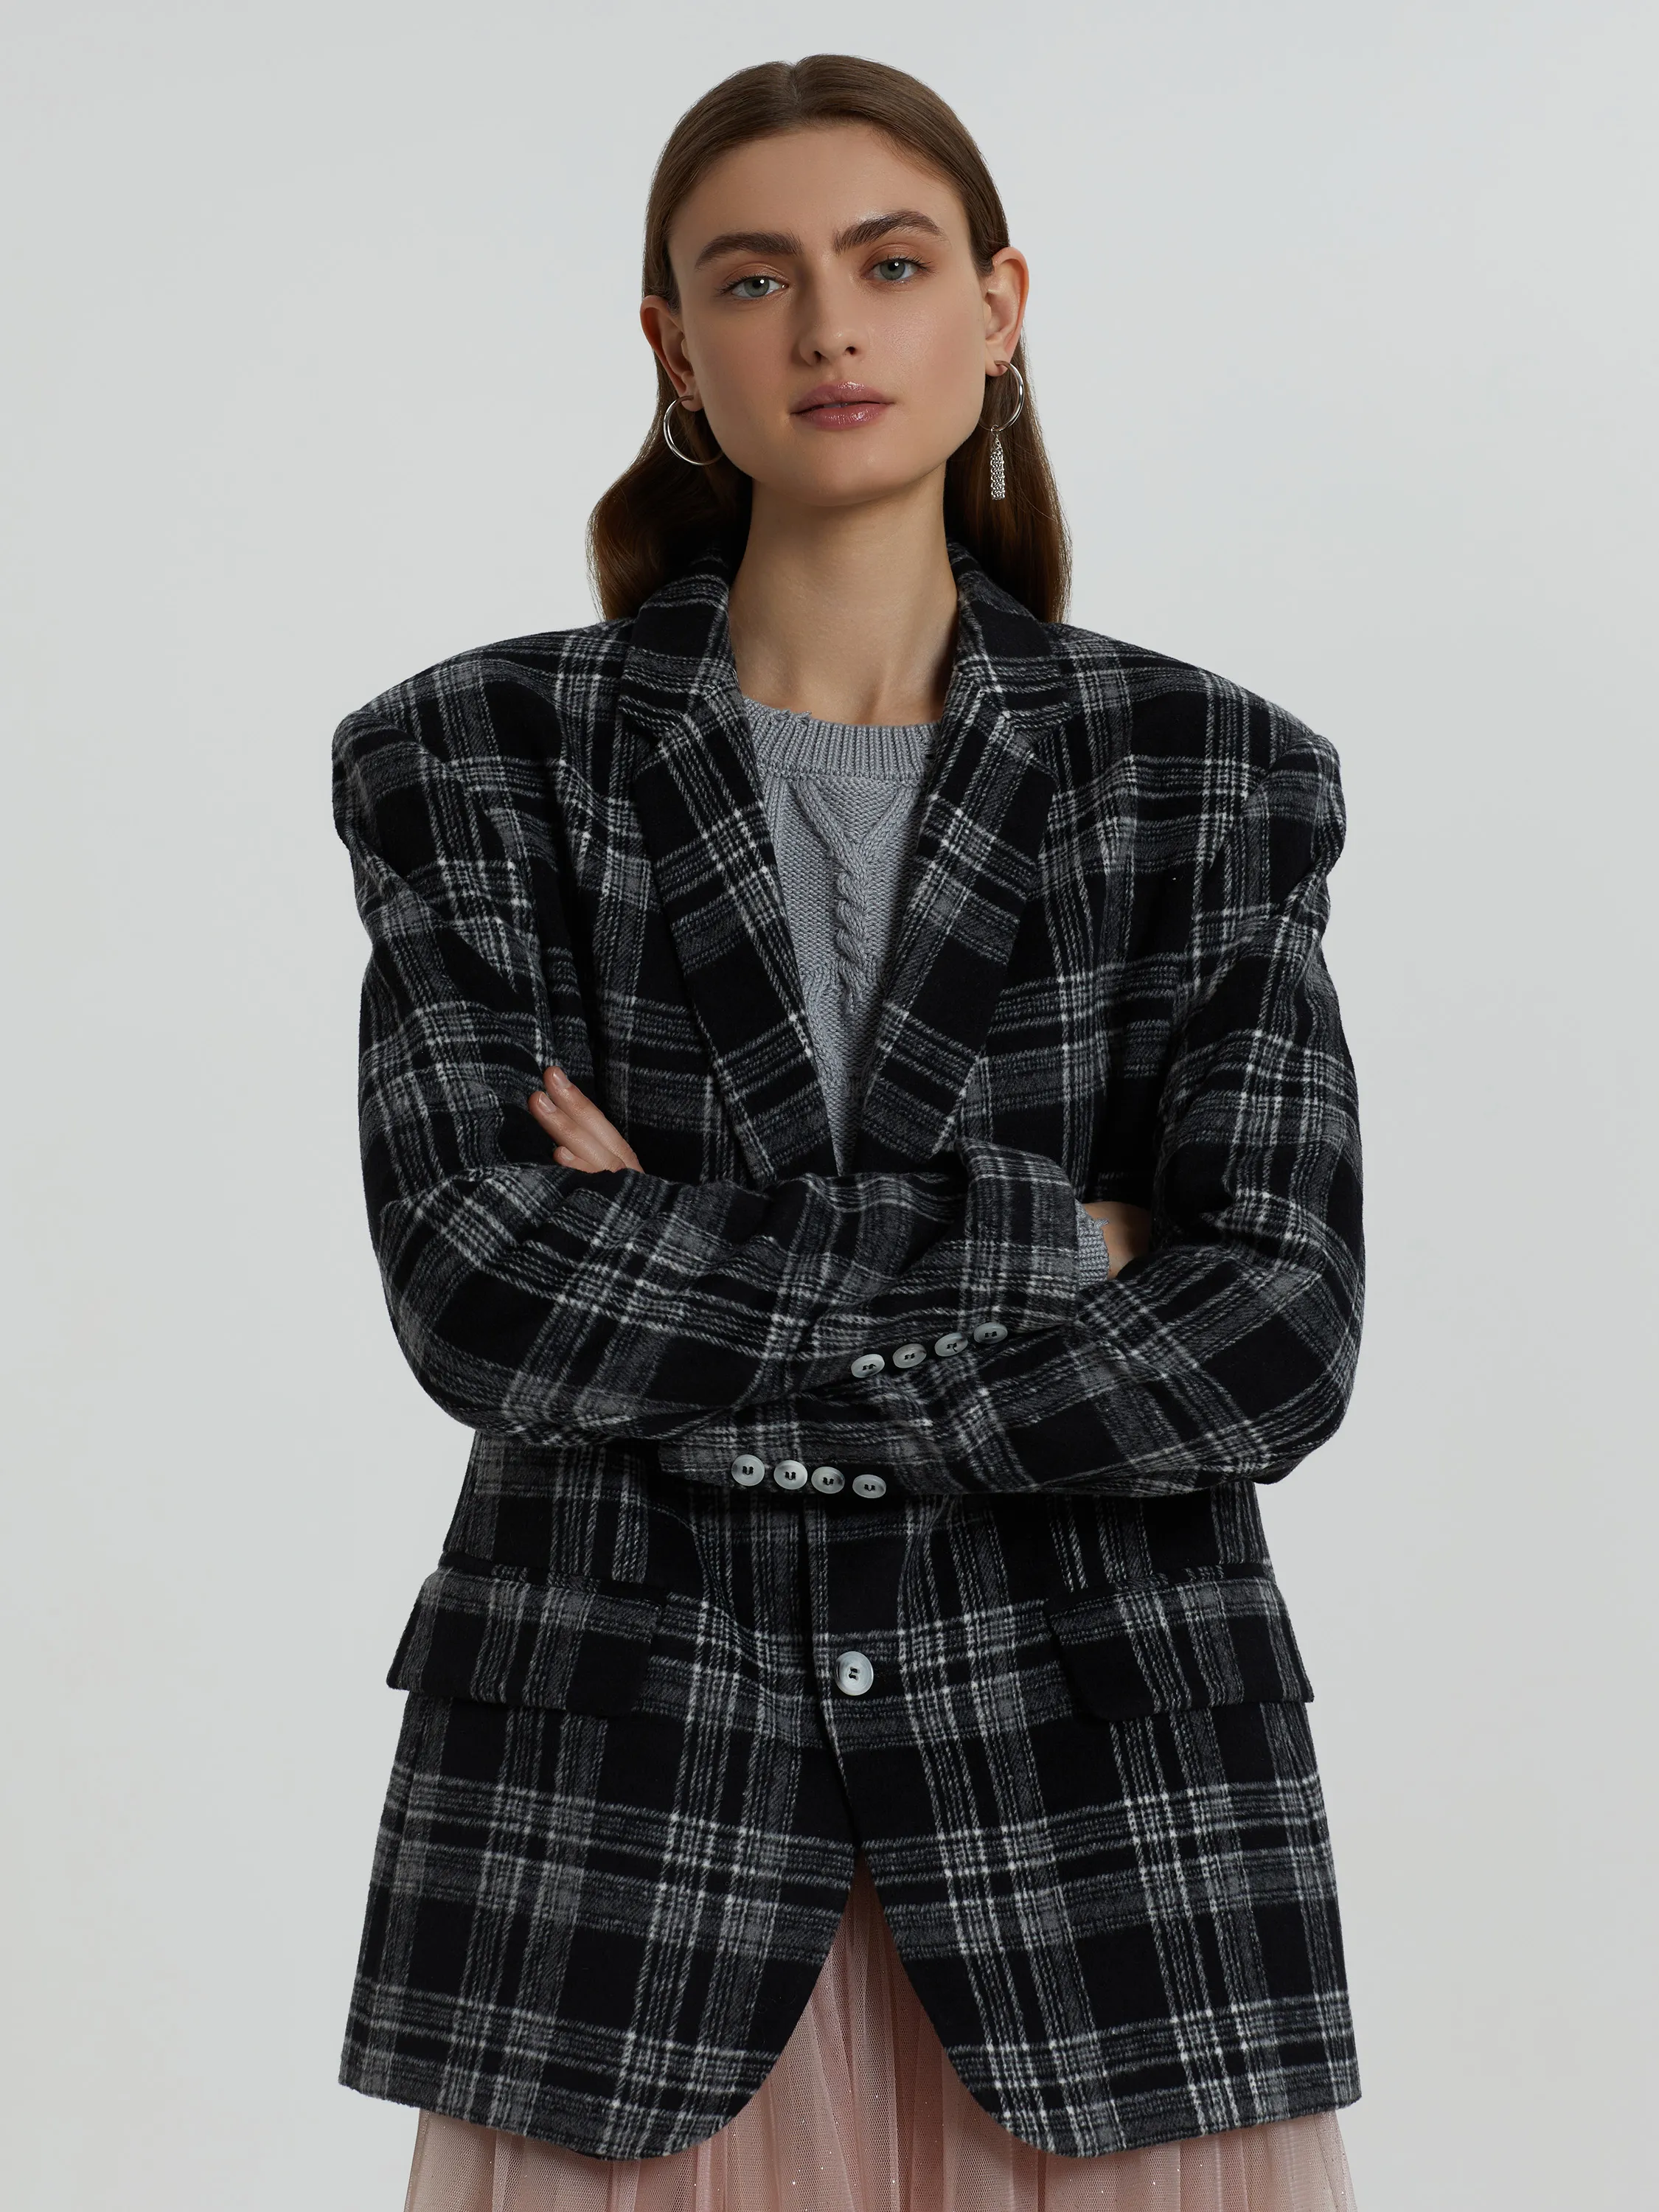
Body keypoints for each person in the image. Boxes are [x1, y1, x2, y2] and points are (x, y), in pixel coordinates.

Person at [331, 54, 1366, 2212]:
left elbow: (1275, 1334)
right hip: (619, 1818)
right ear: (672, 345)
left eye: (890, 266)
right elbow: (486, 1295)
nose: (827, 328)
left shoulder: (1211, 776)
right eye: (754, 278)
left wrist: (684, 1270)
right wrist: (1056, 1248)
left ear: (999, 306)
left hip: (1103, 1805)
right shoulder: (475, 760)